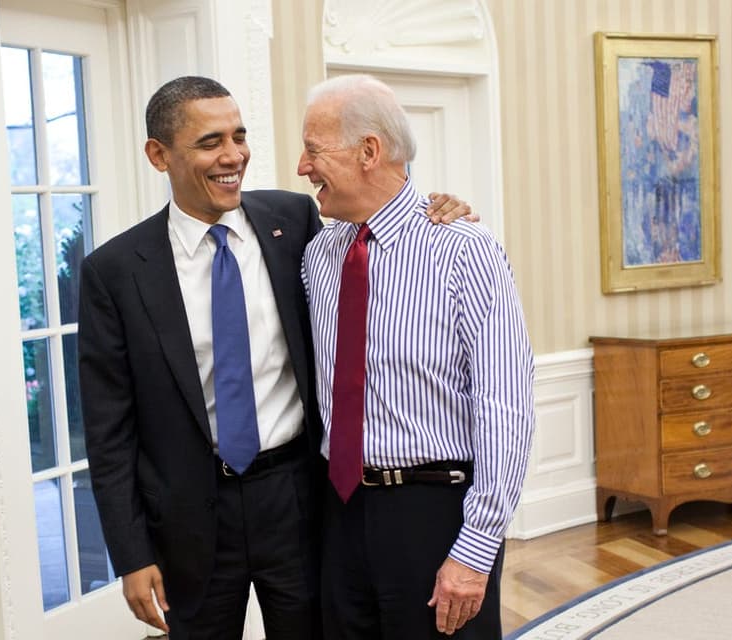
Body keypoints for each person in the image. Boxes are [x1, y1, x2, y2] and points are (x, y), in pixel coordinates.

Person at [78, 76, 471, 639]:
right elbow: (109, 433)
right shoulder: (115, 273)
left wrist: (438, 203)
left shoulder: (295, 223)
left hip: (298, 498)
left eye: (239, 136)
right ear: (158, 155)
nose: (233, 155)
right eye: (210, 142)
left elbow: (378, 215)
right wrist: (131, 553)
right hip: (191, 515)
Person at [298, 73, 535, 639]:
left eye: (313, 151)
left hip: (437, 514)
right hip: (341, 512)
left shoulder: (465, 252)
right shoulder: (318, 254)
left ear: (369, 153)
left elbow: (505, 406)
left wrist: (476, 550)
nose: (303, 168)